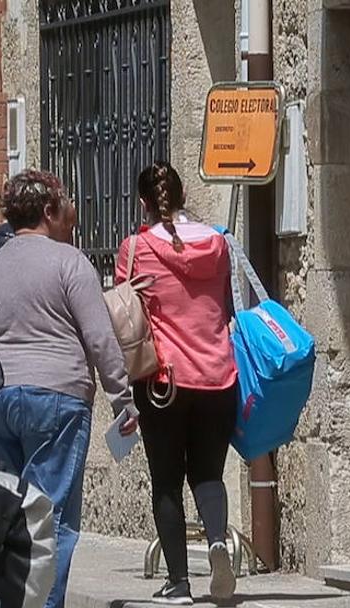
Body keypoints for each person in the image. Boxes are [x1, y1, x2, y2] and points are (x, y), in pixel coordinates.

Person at [0, 169, 138, 608]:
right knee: (51, 518)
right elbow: (100, 338)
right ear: (49, 211)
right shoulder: (70, 262)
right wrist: (123, 399)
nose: (74, 212)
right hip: (56, 401)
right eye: (67, 203)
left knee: (2, 516)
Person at [116, 162, 237, 605]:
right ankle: (218, 541)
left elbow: (128, 319)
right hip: (219, 376)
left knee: (166, 481)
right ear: (183, 195)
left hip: (163, 382)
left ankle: (179, 584)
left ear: (143, 202)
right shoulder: (218, 245)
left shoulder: (134, 249)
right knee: (208, 472)